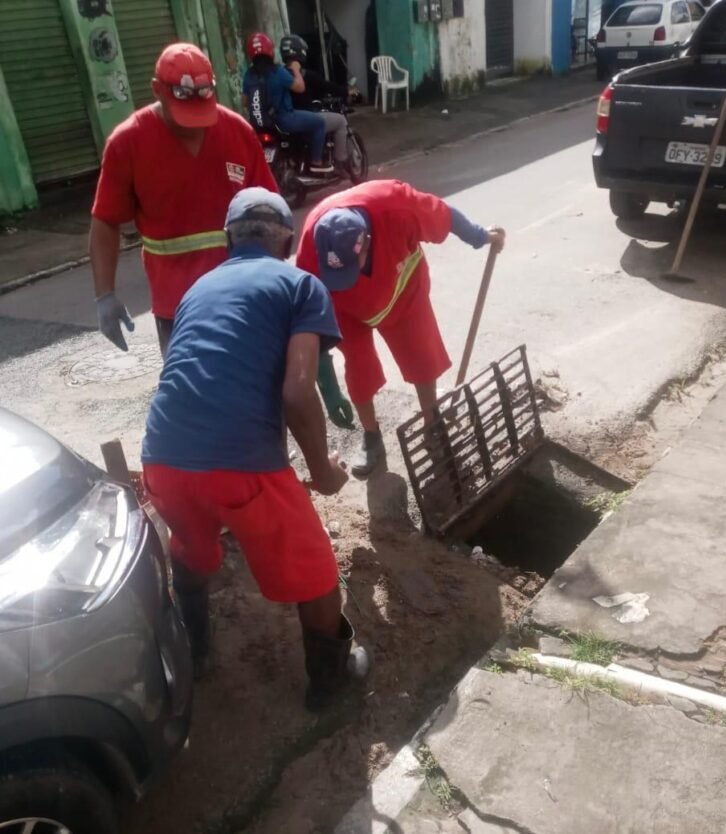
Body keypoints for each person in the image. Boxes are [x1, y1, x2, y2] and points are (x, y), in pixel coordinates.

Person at [141, 187, 368, 710]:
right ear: (287, 242)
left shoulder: (197, 289)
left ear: (229, 240)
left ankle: (196, 652)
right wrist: (323, 472)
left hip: (163, 456)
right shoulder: (301, 285)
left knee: (191, 545)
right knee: (315, 573)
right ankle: (329, 682)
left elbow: (197, 371)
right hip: (242, 466)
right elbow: (297, 390)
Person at [296, 179, 506, 477]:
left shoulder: (395, 205)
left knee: (421, 354)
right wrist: (328, 388)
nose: (348, 278)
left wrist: (480, 236)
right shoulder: (310, 248)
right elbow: (309, 321)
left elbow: (443, 215)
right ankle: (371, 436)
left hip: (402, 287)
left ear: (367, 241)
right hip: (345, 309)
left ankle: (432, 424)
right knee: (359, 367)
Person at [90, 42, 278, 357]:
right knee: (190, 385)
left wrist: (278, 281)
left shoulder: (237, 133)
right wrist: (104, 295)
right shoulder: (128, 143)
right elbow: (106, 220)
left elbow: (271, 212)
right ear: (157, 90)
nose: (195, 125)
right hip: (177, 307)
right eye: (184, 113)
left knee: (257, 380)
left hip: (243, 294)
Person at [242, 32, 332, 175]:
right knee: (319, 122)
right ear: (270, 51)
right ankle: (316, 161)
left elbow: (244, 101)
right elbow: (300, 88)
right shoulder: (277, 71)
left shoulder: (249, 75)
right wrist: (296, 70)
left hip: (260, 125)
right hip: (285, 120)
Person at [279, 34, 351, 176]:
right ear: (301, 52)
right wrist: (347, 92)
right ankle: (339, 163)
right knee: (340, 121)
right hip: (304, 118)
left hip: (285, 120)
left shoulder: (279, 74)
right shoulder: (306, 75)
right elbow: (327, 86)